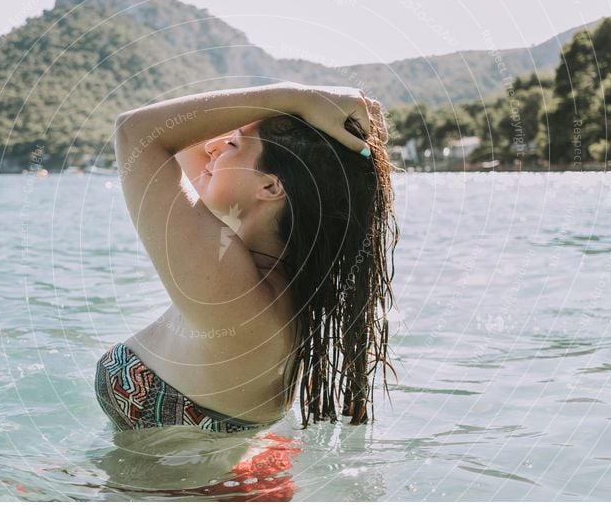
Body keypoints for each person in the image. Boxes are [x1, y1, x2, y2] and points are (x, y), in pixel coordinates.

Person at [95, 81, 399, 433]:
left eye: (233, 144)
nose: (212, 147)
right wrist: (300, 107)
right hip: (201, 476)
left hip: (178, 485)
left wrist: (295, 96)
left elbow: (137, 133)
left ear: (270, 187)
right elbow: (184, 144)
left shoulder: (235, 290)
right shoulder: (279, 278)